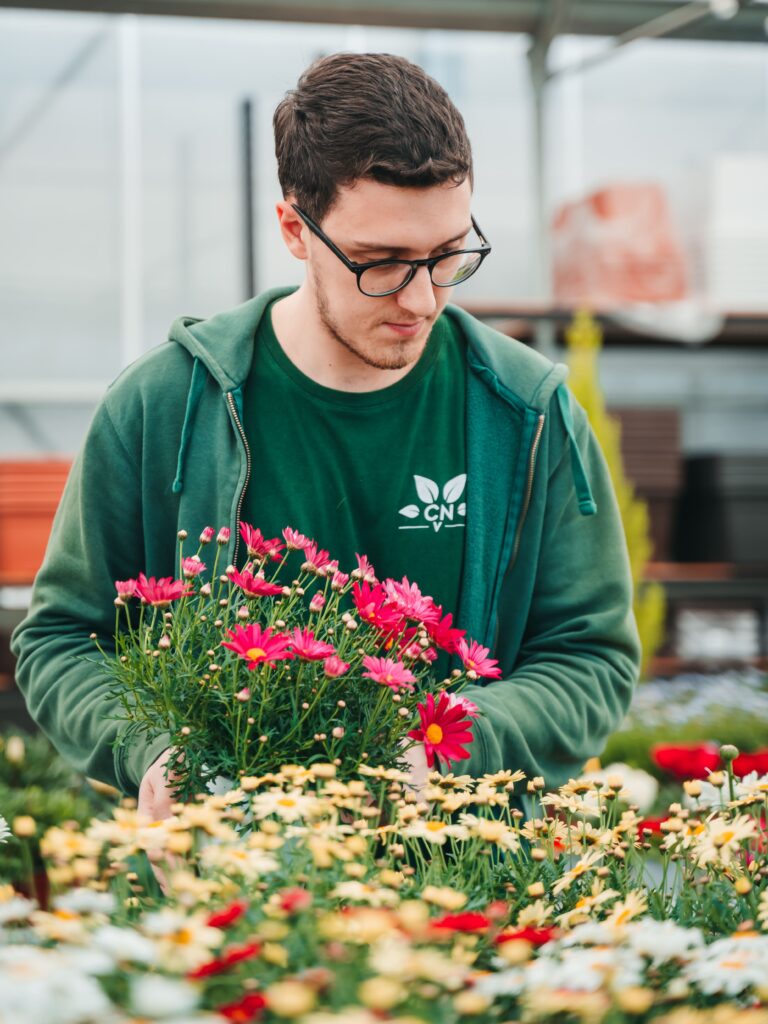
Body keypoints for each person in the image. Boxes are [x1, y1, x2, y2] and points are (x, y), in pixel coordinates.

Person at [11, 52, 639, 821]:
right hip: (223, 884)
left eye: (448, 256)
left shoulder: (528, 412)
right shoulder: (163, 404)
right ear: (294, 229)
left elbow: (590, 658)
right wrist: (154, 751)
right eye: (380, 263)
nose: (422, 298)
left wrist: (442, 745)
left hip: (467, 887)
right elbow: (63, 641)